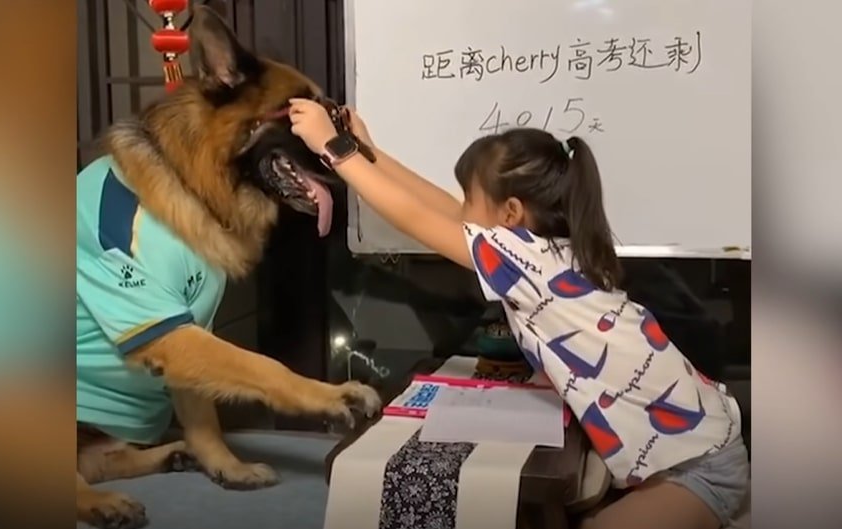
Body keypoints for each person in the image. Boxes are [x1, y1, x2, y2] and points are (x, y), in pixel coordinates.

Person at [287, 99, 749, 529]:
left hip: (701, 469)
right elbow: (443, 211)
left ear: (510, 213)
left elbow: (418, 217)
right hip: (700, 446)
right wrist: (371, 153)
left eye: (471, 200)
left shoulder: (526, 265)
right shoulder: (551, 254)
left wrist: (335, 148)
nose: (462, 213)